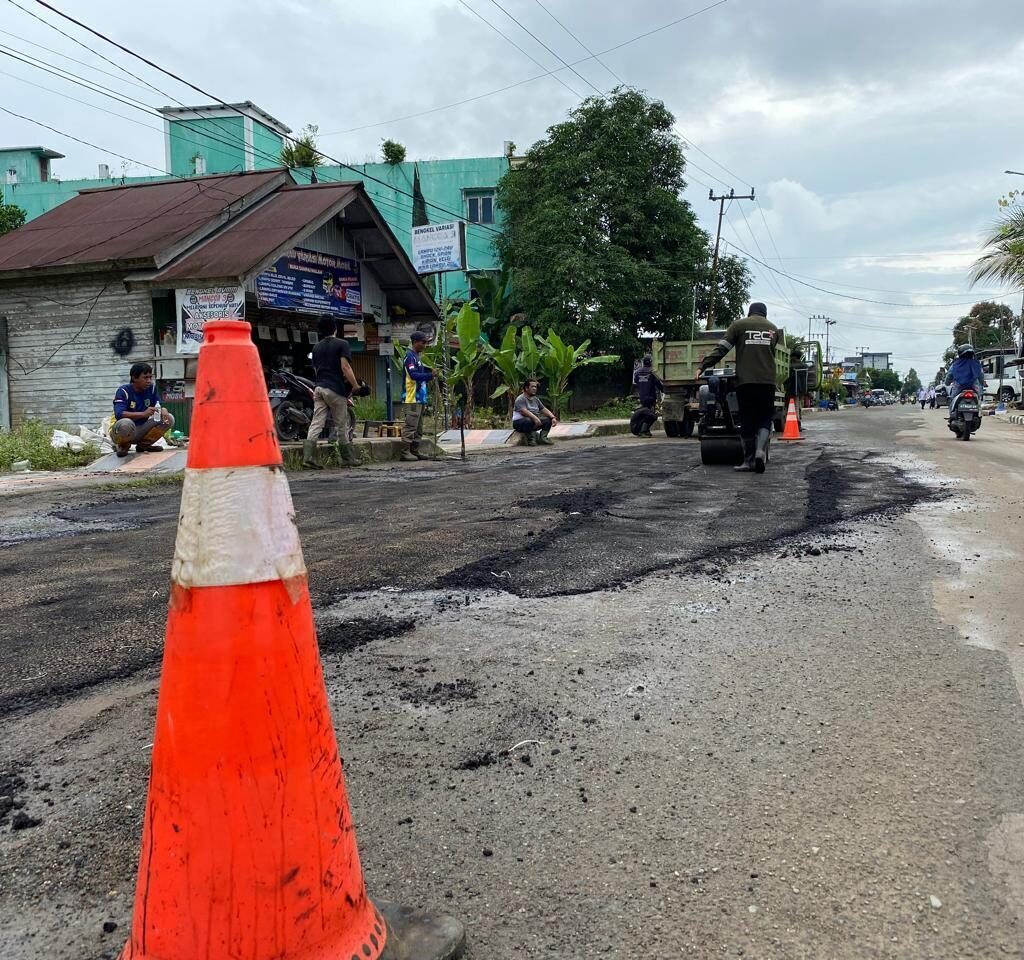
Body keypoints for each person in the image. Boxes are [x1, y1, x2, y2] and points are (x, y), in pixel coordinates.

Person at [698, 301, 778, 474]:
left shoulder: (739, 325)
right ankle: (760, 451)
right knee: (765, 418)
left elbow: (722, 349)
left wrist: (704, 365)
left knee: (748, 420)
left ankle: (749, 461)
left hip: (746, 381)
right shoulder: (773, 329)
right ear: (765, 314)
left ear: (750, 312)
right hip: (768, 381)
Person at [303, 315, 366, 469]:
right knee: (341, 424)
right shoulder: (342, 344)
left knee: (317, 422)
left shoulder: (316, 347)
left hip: (318, 388)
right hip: (335, 389)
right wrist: (355, 385)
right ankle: (347, 459)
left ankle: (307, 457)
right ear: (335, 328)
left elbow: (316, 369)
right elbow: (345, 367)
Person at [110, 362, 174, 457]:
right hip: (121, 431)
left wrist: (163, 409)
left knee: (168, 418)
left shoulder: (151, 388)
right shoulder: (123, 391)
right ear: (134, 378)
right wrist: (143, 414)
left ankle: (143, 446)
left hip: (140, 429)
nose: (148, 381)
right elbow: (119, 414)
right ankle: (123, 446)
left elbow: (157, 405)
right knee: (126, 423)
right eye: (145, 377)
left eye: (150, 377)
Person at [399, 330, 436, 462]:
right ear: (415, 342)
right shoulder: (410, 357)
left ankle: (414, 450)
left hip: (420, 398)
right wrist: (429, 375)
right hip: (412, 398)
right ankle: (405, 452)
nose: (425, 345)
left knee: (418, 428)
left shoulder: (417, 357)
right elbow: (413, 375)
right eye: (423, 342)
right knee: (411, 426)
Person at [512, 379, 558, 445]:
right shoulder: (520, 399)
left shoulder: (536, 399)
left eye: (535, 387)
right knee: (528, 420)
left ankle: (543, 438)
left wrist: (552, 417)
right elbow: (524, 412)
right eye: (532, 387)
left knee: (548, 420)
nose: (534, 388)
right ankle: (531, 439)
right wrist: (535, 418)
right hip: (520, 423)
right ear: (526, 388)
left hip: (533, 421)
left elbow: (543, 409)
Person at [945, 344, 985, 414]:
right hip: (973, 387)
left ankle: (952, 414)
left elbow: (949, 376)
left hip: (959, 387)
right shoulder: (976, 364)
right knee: (978, 399)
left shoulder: (955, 364)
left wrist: (947, 383)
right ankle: (978, 413)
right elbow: (981, 376)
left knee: (952, 399)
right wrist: (982, 383)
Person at [631, 355, 663, 437]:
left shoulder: (638, 372)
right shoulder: (652, 373)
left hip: (642, 397)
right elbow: (658, 384)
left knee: (645, 413)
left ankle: (644, 429)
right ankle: (643, 430)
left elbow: (636, 381)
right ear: (651, 363)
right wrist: (664, 390)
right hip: (651, 398)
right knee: (651, 415)